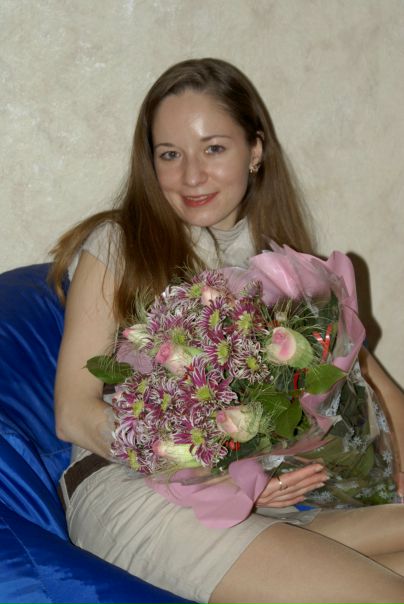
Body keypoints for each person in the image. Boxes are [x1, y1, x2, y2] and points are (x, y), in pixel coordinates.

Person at [51, 58, 404, 603]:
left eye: (214, 149)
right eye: (170, 155)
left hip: (264, 506)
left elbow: (371, 380)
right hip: (138, 492)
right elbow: (73, 412)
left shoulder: (288, 267)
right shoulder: (120, 243)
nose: (191, 176)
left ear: (255, 150)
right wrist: (219, 474)